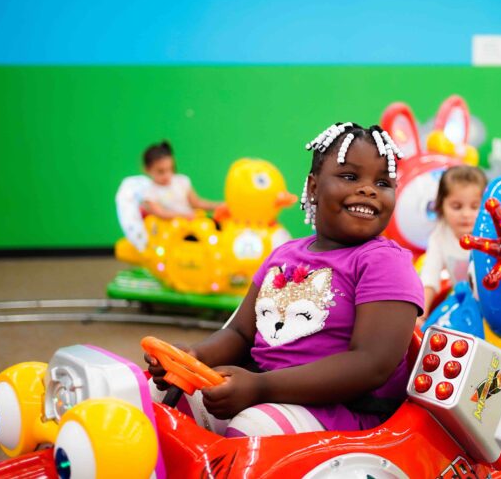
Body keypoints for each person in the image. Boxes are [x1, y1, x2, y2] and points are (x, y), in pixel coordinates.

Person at [145, 123, 424, 437]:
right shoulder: (283, 255)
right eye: (350, 176)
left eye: (383, 182)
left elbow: (372, 364)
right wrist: (193, 357)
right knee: (153, 397)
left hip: (345, 415)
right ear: (314, 187)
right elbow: (239, 332)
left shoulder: (385, 262)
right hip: (264, 393)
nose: (369, 189)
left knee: (252, 428)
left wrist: (261, 387)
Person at [418, 165, 487, 323]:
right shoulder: (440, 235)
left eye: (475, 207)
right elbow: (430, 276)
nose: (466, 214)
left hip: (491, 304)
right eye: (456, 206)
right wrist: (421, 315)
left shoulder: (487, 234)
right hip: (463, 301)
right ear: (441, 205)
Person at [141, 141, 222, 219]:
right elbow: (161, 213)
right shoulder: (149, 191)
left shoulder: (181, 181)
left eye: (170, 169)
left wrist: (218, 205)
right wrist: (185, 216)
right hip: (170, 229)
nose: (167, 175)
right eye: (161, 171)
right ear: (147, 169)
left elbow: (197, 203)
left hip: (190, 224)